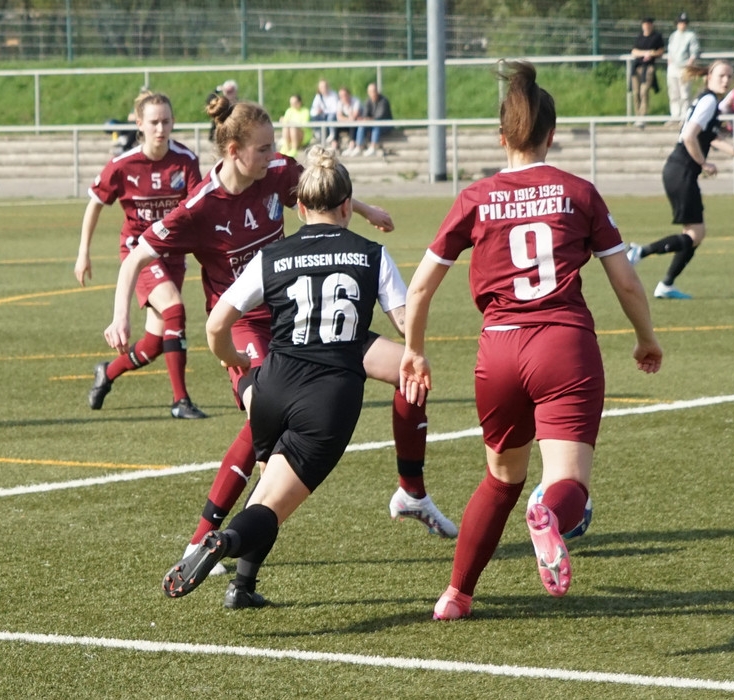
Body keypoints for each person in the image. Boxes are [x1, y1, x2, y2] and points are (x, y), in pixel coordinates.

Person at [104, 97, 457, 582]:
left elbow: (322, 192)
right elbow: (136, 257)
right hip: (246, 327)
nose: (275, 157)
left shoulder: (273, 173)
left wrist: (365, 209)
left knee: (408, 369)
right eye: (265, 149)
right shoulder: (200, 206)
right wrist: (120, 315)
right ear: (234, 151)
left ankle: (411, 492)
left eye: (274, 148)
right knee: (261, 429)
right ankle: (201, 540)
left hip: (298, 314)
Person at [398, 61, 663, 621]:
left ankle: (456, 595)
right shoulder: (578, 192)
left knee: (500, 480)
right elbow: (625, 280)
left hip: (498, 351)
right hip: (563, 345)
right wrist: (646, 339)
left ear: (502, 137)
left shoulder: (476, 197)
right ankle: (549, 515)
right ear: (552, 134)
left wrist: (414, 350)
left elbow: (419, 286)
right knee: (567, 483)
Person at [161, 146, 411, 605]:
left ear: (299, 209)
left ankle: (242, 587)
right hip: (327, 397)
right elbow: (406, 324)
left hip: (272, 387)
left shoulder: (271, 256)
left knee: (268, 486)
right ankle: (224, 542)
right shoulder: (371, 254)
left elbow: (216, 325)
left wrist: (235, 360)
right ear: (346, 207)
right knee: (271, 506)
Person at [76, 91, 206, 419]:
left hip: (173, 255)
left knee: (154, 343)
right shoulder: (123, 165)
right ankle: (180, 401)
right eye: (154, 122)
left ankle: (107, 372)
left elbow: (198, 209)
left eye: (166, 122)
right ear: (139, 124)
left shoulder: (185, 161)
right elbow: (95, 203)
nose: (161, 129)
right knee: (175, 309)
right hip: (139, 252)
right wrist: (83, 253)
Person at [626, 61, 734, 300]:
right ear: (709, 76)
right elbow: (689, 136)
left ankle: (666, 284)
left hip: (679, 171)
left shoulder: (706, 100)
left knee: (695, 234)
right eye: (721, 75)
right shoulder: (709, 101)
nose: (726, 80)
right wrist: (704, 163)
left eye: (729, 76)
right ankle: (639, 252)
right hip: (682, 171)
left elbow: (710, 137)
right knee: (695, 234)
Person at [665, 12, 700, 123]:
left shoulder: (691, 35)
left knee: (685, 93)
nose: (682, 24)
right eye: (680, 22)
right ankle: (675, 115)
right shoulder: (673, 35)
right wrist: (669, 60)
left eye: (684, 22)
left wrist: (690, 62)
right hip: (673, 67)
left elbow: (694, 50)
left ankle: (685, 115)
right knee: (673, 92)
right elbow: (670, 50)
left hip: (684, 67)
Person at [630, 17, 664, 128]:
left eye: (648, 24)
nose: (647, 26)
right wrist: (645, 53)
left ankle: (643, 117)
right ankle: (637, 116)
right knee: (636, 93)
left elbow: (660, 51)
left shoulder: (656, 37)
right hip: (637, 67)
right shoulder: (639, 37)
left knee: (643, 92)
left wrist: (651, 54)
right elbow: (634, 51)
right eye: (645, 24)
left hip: (648, 67)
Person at [352, 82, 393, 156]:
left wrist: (368, 119)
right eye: (370, 92)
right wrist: (364, 119)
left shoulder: (383, 101)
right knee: (361, 126)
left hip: (385, 125)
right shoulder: (368, 101)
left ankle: (373, 147)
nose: (372, 93)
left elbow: (380, 117)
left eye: (374, 91)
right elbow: (365, 114)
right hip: (372, 123)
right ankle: (359, 146)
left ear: (377, 91)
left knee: (376, 126)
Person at [309, 79, 340, 151]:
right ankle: (317, 134)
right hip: (323, 116)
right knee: (314, 117)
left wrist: (323, 111)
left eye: (325, 86)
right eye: (321, 87)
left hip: (332, 116)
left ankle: (332, 134)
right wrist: (317, 111)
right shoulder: (318, 96)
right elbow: (313, 110)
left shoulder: (333, 95)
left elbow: (335, 109)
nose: (324, 89)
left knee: (331, 117)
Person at [279, 94, 313, 158]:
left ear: (299, 102)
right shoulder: (289, 110)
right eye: (291, 103)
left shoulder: (305, 111)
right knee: (286, 126)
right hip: (290, 134)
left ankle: (294, 148)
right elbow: (285, 121)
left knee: (293, 127)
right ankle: (286, 146)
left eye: (294, 103)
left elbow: (304, 125)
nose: (292, 105)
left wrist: (290, 122)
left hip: (303, 136)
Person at [337, 86, 363, 155]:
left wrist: (346, 118)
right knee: (335, 126)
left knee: (352, 124)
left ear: (349, 94)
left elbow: (354, 116)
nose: (343, 97)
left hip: (356, 124)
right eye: (341, 96)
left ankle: (352, 145)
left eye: (345, 95)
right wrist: (347, 119)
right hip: (347, 122)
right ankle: (334, 145)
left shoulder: (356, 101)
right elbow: (339, 117)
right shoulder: (340, 103)